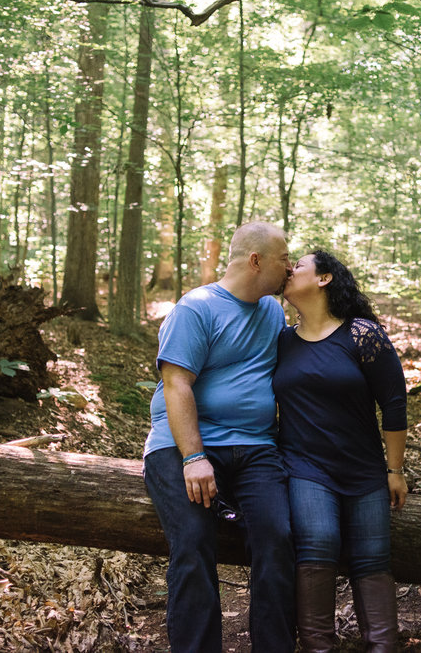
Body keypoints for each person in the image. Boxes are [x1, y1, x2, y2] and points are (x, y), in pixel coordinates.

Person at [143, 221, 296, 653]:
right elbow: (177, 385)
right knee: (192, 541)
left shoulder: (271, 310)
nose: (290, 267)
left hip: (255, 447)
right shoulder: (197, 308)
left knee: (278, 535)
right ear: (255, 261)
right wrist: (194, 458)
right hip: (184, 446)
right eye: (284, 259)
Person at [273, 250, 408, 652]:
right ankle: (319, 647)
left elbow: (394, 400)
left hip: (364, 467)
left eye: (298, 264)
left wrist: (394, 469)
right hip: (304, 467)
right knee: (318, 540)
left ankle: (383, 646)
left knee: (372, 557)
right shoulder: (280, 341)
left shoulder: (362, 334)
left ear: (325, 279)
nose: (289, 269)